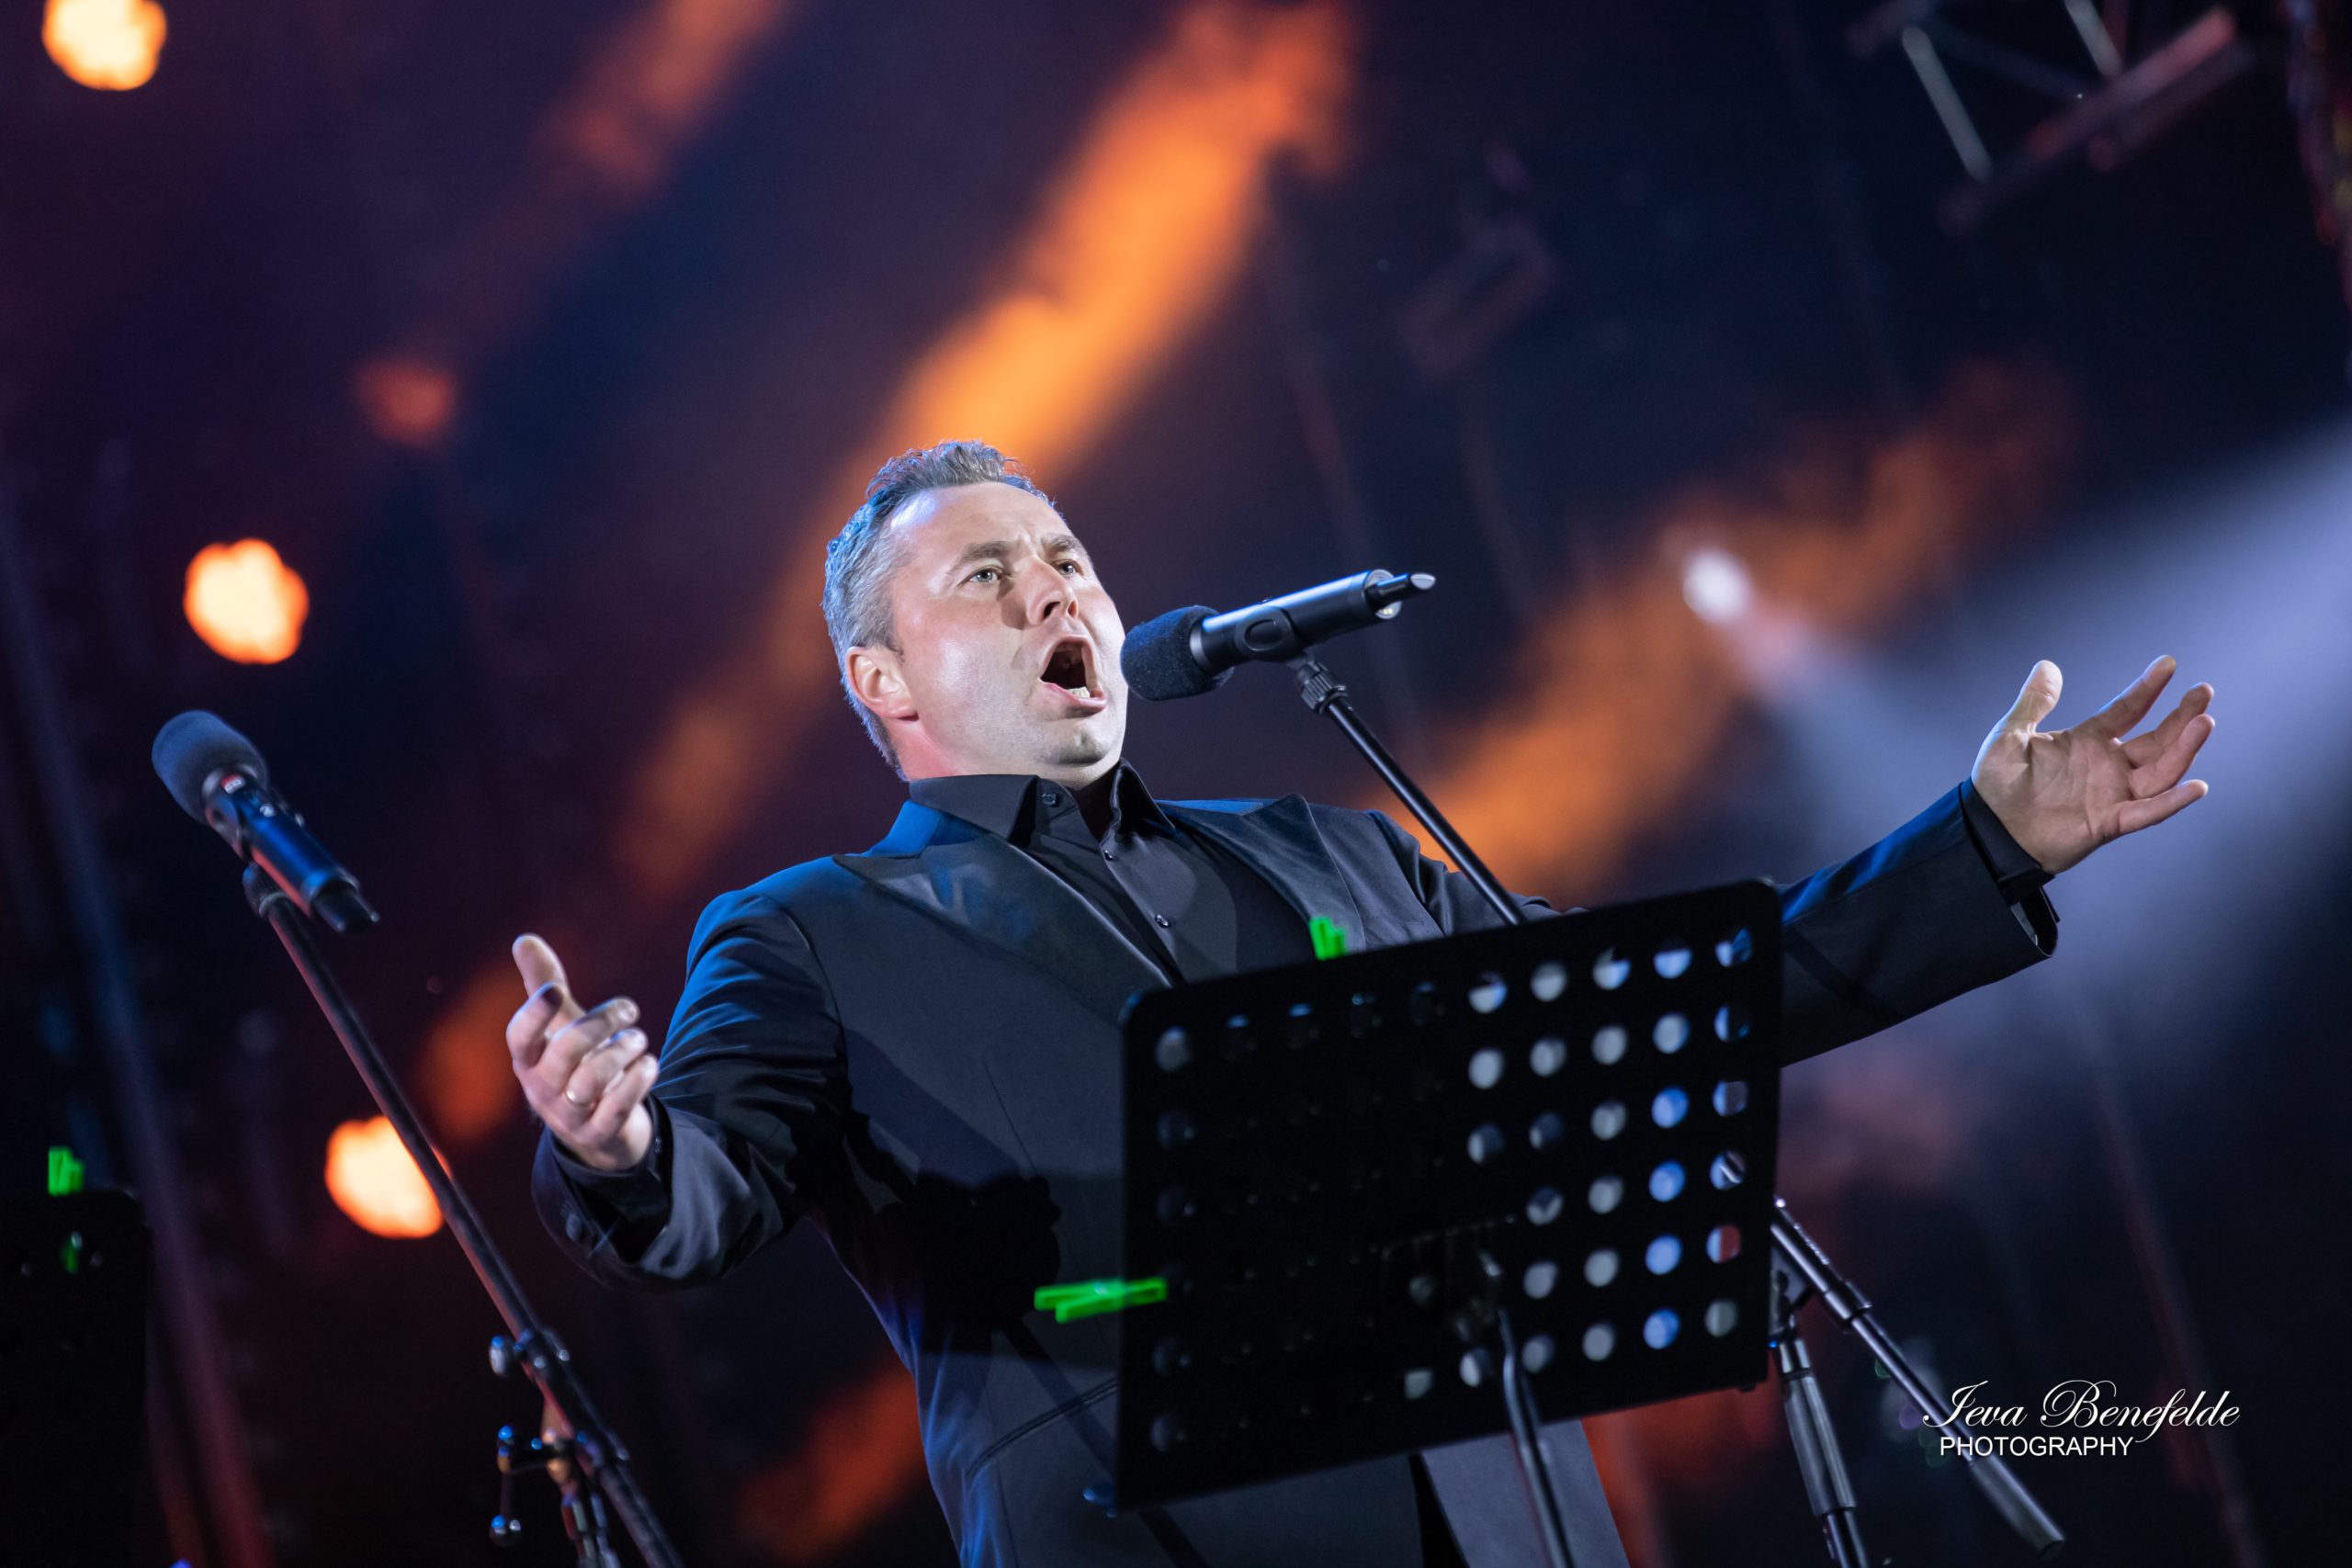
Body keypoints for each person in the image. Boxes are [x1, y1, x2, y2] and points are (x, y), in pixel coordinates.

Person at [510, 440, 2215, 1568]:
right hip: (1161, 1540)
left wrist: (1984, 848)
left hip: (1502, 1524)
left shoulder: (1331, 850)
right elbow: (702, 1194)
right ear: (879, 681)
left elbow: (1666, 1004)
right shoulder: (814, 932)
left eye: (1068, 557)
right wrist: (617, 1145)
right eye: (986, 576)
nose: (1055, 592)